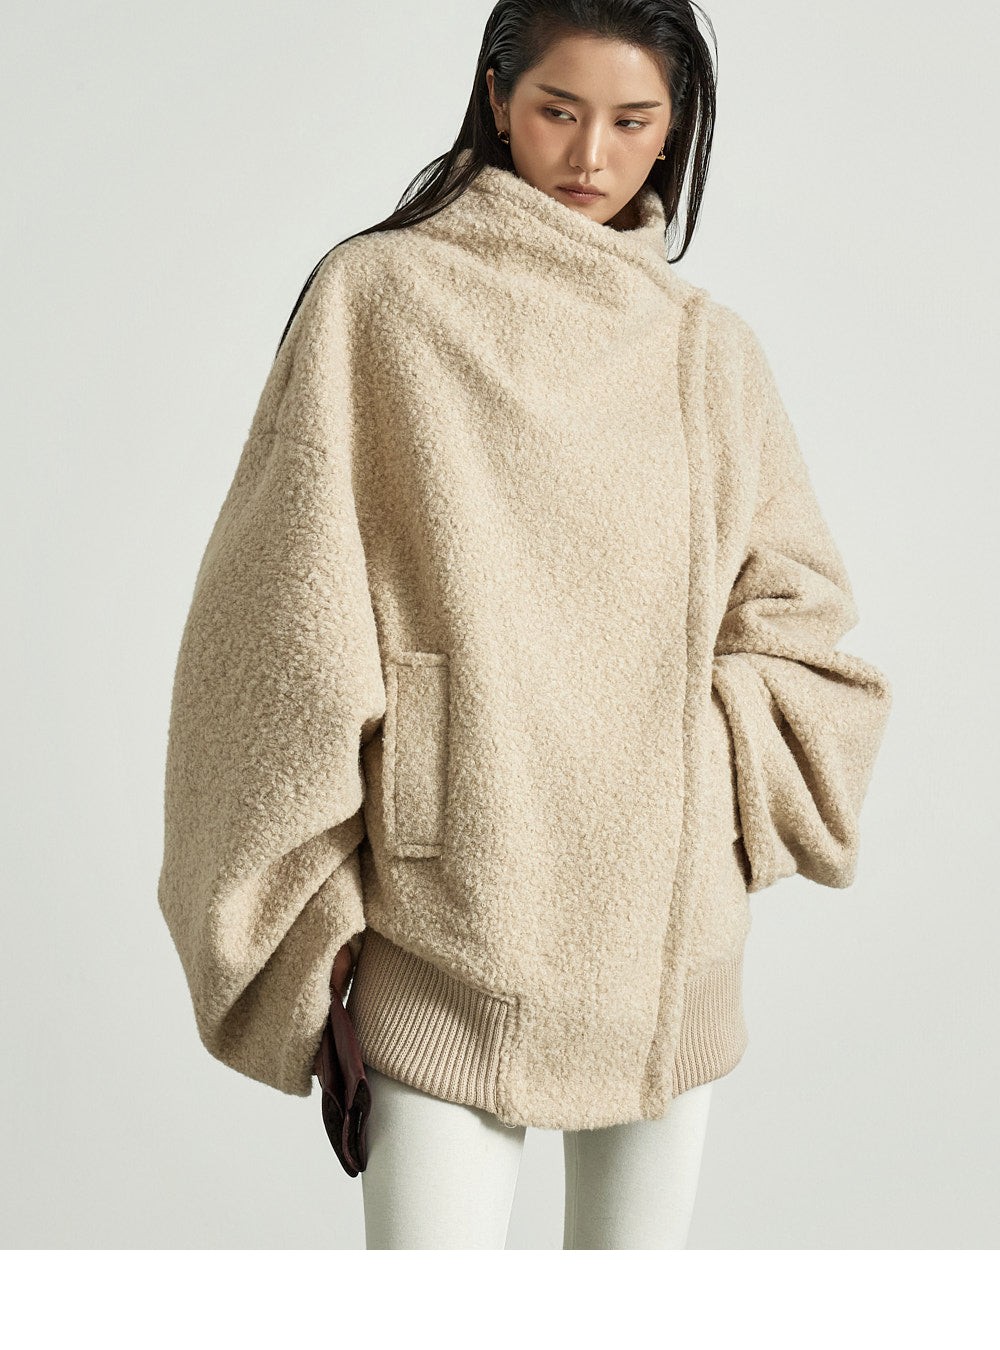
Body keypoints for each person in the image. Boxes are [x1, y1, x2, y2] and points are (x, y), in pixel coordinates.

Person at [158, 0, 892, 1250]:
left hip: (666, 937)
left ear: (674, 131)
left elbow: (797, 613)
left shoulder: (709, 350)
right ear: (497, 99)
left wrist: (695, 759)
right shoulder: (379, 297)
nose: (590, 156)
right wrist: (323, 885)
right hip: (450, 915)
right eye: (558, 111)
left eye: (633, 122)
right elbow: (279, 615)